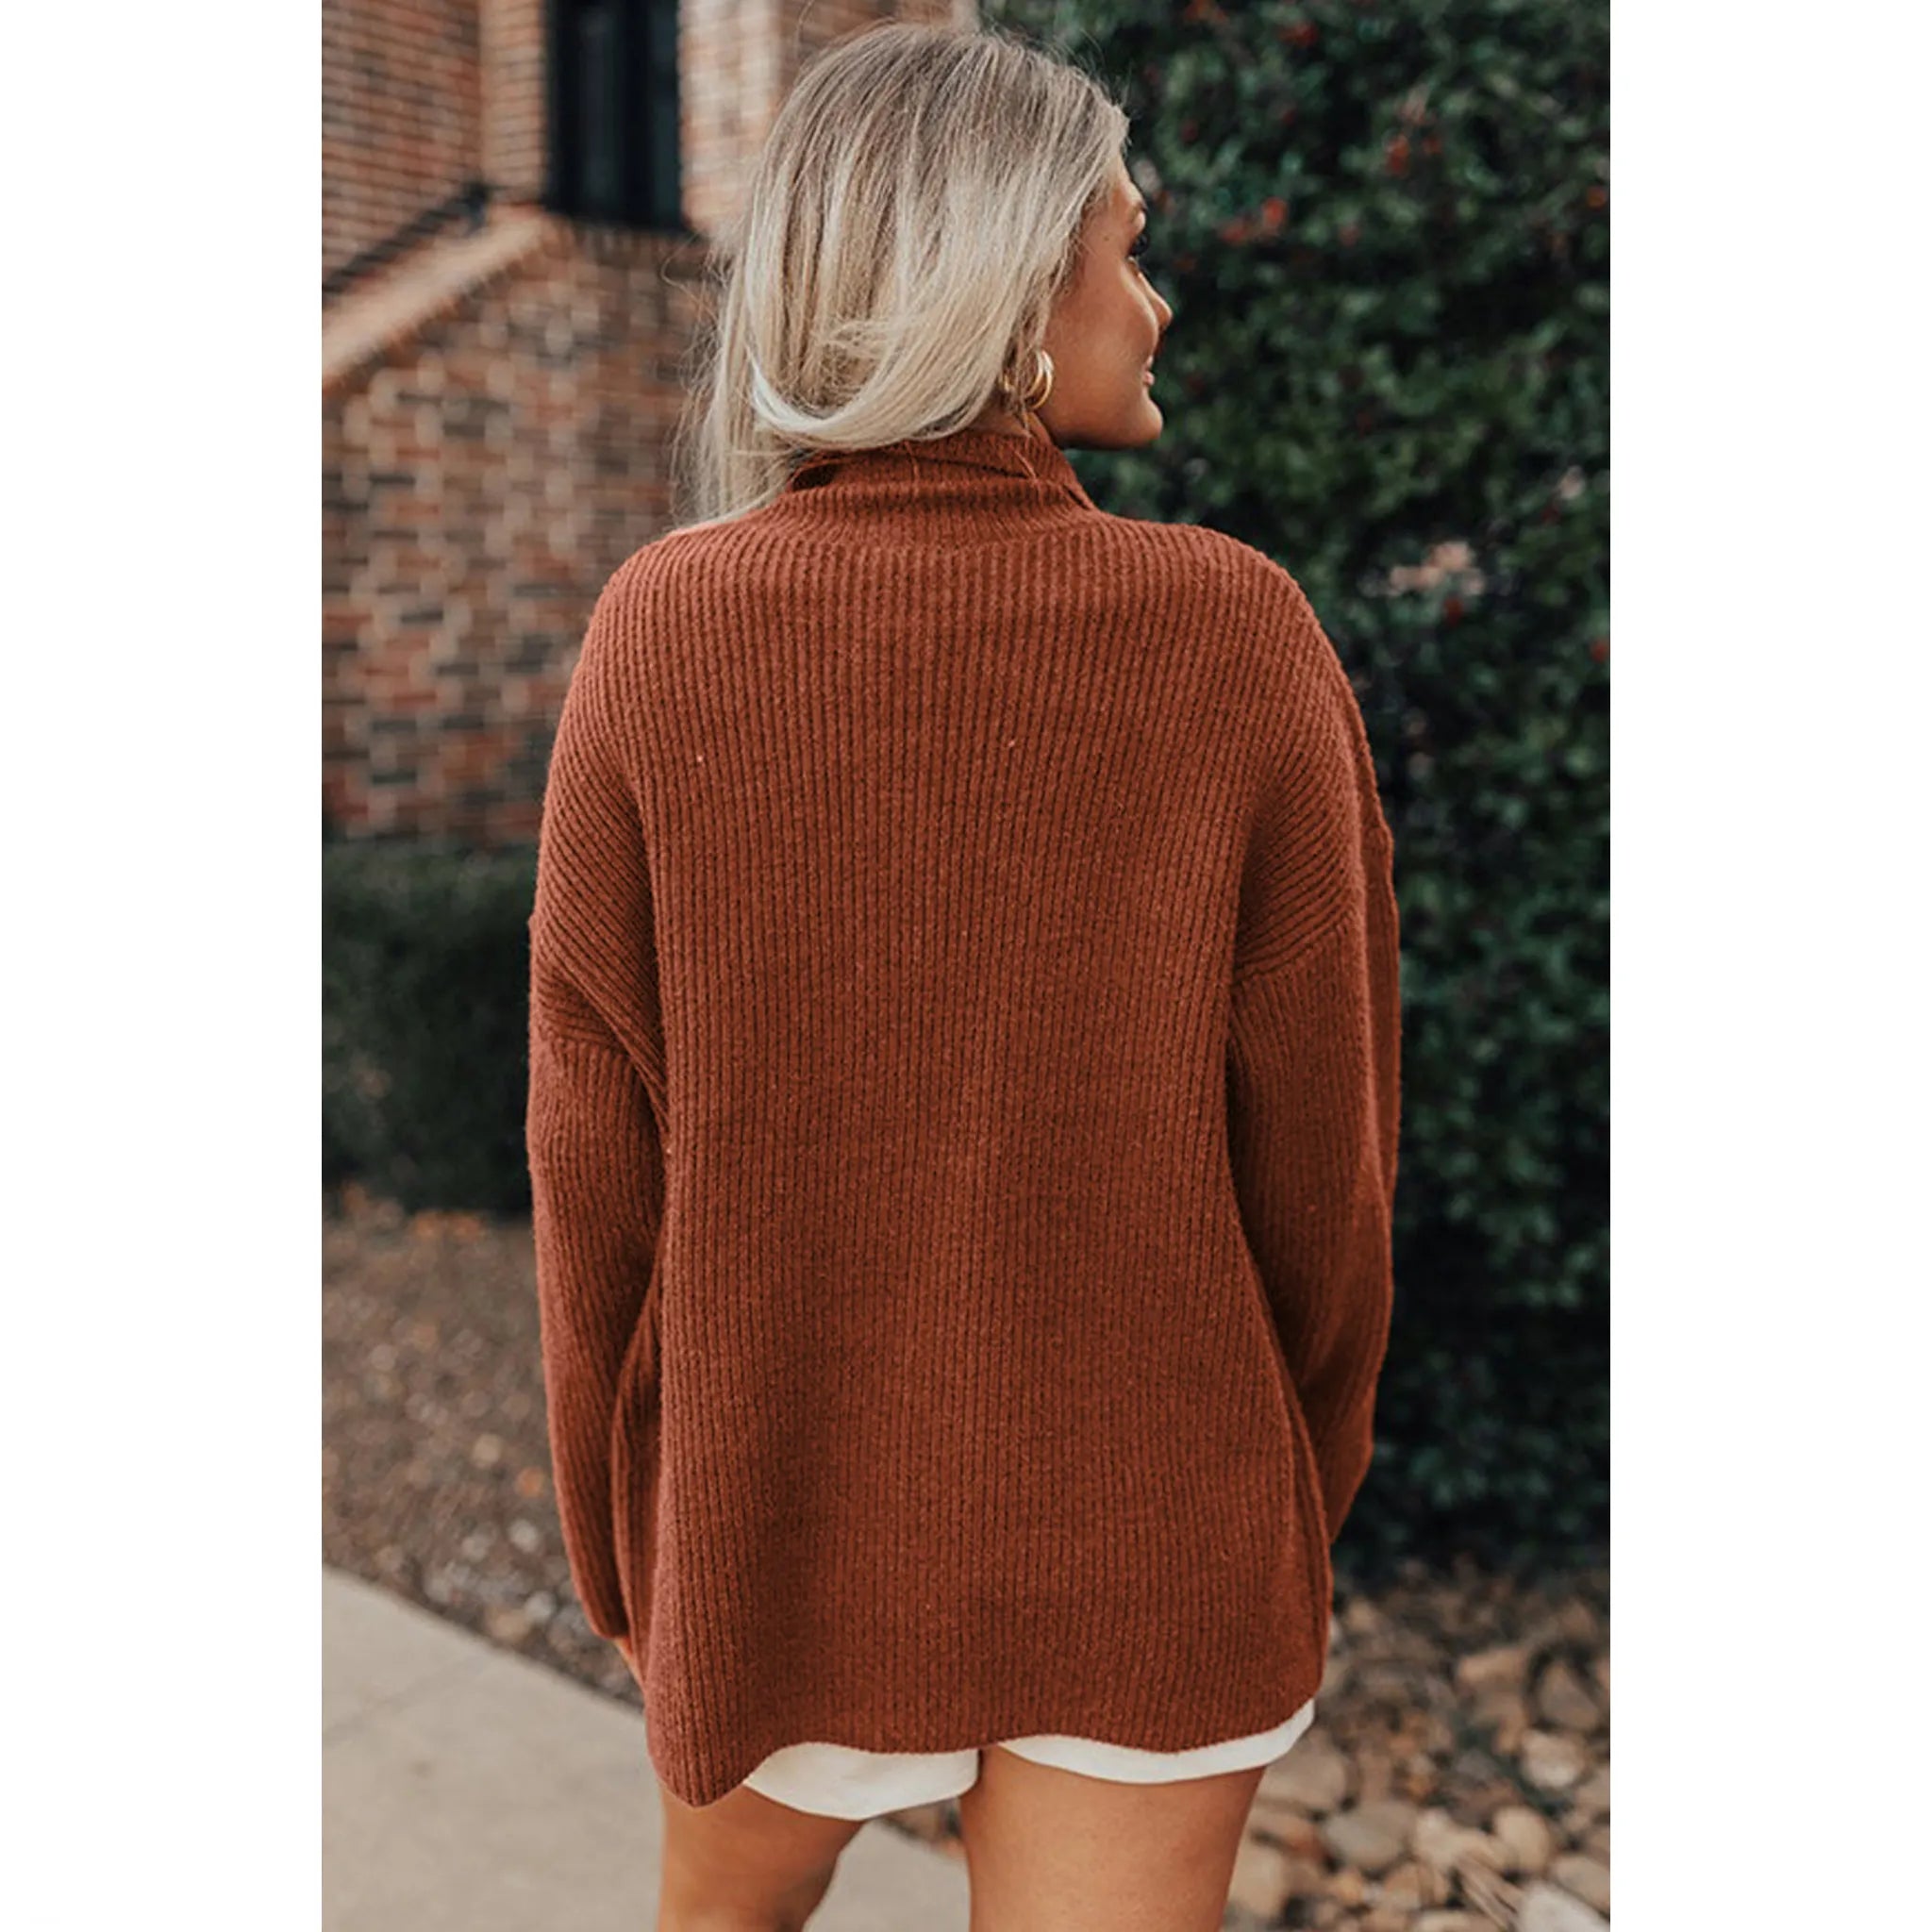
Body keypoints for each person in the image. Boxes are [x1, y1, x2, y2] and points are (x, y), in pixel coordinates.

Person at [525, 21, 1401, 1932]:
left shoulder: (660, 632)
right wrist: (1285, 1485)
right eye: (1123, 246)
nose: (1152, 301)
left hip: (779, 1521)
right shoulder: (1235, 639)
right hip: (1160, 1523)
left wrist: (638, 1559)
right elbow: (1324, 1179)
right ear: (1014, 290)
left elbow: (598, 1182)